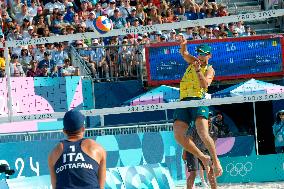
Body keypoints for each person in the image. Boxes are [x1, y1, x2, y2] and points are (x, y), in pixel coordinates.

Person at [173, 34, 222, 177]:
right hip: (184, 100)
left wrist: (198, 70)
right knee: (178, 135)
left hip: (198, 99)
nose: (200, 56)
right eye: (199, 53)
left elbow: (205, 85)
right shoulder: (194, 61)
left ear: (209, 56)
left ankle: (216, 161)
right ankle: (203, 157)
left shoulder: (209, 69)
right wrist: (183, 44)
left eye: (203, 54)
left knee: (203, 133)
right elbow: (184, 53)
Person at [48, 110, 106, 189]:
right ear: (83, 129)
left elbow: (54, 186)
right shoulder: (96, 148)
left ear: (64, 131)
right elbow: (101, 186)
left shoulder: (54, 152)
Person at [183, 113, 218, 189]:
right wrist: (184, 153)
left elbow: (213, 144)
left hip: (204, 150)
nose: (208, 120)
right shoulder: (194, 128)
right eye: (206, 118)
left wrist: (213, 157)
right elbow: (187, 141)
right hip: (193, 150)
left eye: (209, 118)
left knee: (211, 170)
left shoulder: (214, 128)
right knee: (193, 173)